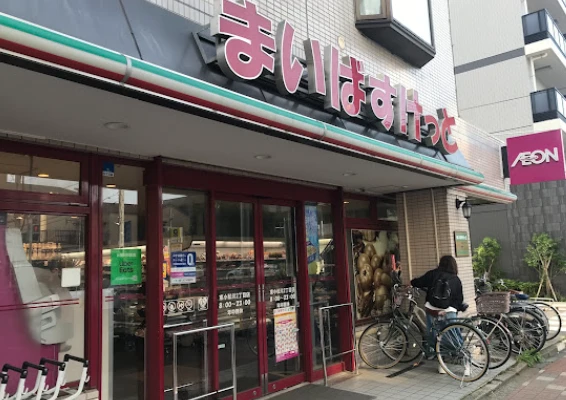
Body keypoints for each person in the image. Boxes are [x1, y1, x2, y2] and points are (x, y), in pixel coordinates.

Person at [410, 255, 468, 374]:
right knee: (454, 337)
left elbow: (418, 282)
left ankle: (442, 364)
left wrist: (411, 283)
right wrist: (454, 309)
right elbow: (459, 299)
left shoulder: (433, 274)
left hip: (432, 311)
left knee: (435, 337)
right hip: (448, 312)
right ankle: (466, 364)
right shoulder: (455, 279)